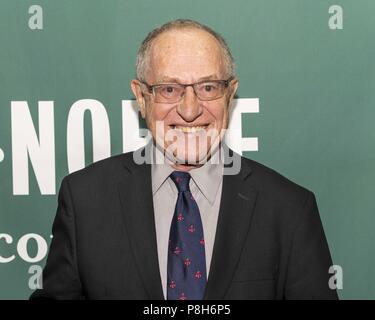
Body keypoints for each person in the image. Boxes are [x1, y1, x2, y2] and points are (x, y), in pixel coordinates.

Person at [31, 19, 337, 300]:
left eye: (207, 87)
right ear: (141, 96)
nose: (190, 109)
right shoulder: (85, 200)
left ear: (230, 93)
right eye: (169, 89)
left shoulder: (289, 208)